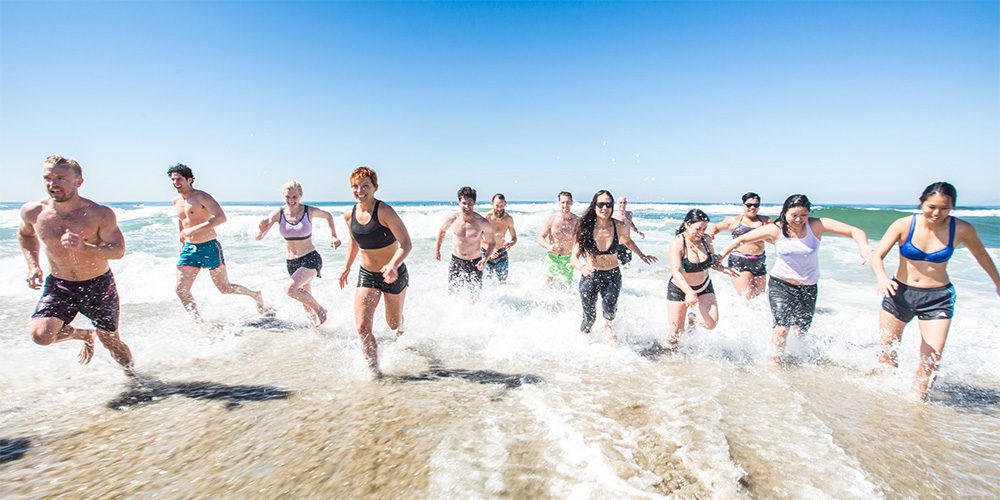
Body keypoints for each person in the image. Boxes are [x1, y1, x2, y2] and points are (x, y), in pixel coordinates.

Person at [871, 182, 1000, 400]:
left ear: (952, 207)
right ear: (921, 202)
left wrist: (998, 282)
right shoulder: (903, 225)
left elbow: (981, 256)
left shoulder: (962, 229)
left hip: (937, 298)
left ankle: (917, 405)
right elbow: (877, 256)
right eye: (931, 207)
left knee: (932, 358)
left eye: (944, 208)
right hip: (898, 293)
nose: (937, 213)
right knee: (888, 352)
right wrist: (882, 278)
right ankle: (885, 404)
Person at [719, 194, 871, 363]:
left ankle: (796, 362)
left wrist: (863, 247)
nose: (799, 220)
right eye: (794, 216)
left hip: (808, 286)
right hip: (781, 285)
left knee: (801, 331)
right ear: (784, 213)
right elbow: (741, 239)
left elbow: (855, 231)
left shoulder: (816, 225)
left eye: (803, 215)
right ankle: (774, 364)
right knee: (782, 328)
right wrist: (719, 258)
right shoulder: (774, 229)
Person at [18, 155, 135, 374]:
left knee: (110, 342)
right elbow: (25, 235)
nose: (53, 183)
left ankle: (134, 378)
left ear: (79, 182)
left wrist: (85, 248)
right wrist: (33, 265)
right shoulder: (33, 212)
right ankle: (82, 334)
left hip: (98, 285)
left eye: (61, 178)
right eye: (48, 178)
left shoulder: (100, 214)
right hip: (60, 285)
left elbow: (118, 251)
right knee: (40, 335)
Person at [339, 166, 412, 377]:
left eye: (365, 186)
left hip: (394, 273)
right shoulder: (348, 214)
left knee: (393, 323)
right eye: (355, 186)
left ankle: (401, 325)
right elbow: (354, 241)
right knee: (362, 327)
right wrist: (347, 266)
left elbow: (406, 244)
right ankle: (374, 372)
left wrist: (392, 265)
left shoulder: (384, 211)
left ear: (375, 187)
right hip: (367, 274)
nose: (360, 190)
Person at [169, 164, 266, 319]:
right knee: (181, 290)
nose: (175, 183)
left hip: (209, 247)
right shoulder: (175, 201)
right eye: (173, 179)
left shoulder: (202, 197)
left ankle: (255, 295)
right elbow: (182, 221)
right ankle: (199, 322)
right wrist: (181, 241)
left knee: (224, 288)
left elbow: (221, 217)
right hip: (189, 249)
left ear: (190, 180)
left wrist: (194, 230)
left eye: (179, 179)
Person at [571, 190, 657, 340]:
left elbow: (628, 241)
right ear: (594, 206)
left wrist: (642, 255)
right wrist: (581, 267)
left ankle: (607, 326)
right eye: (601, 204)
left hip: (612, 274)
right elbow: (573, 257)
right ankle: (583, 341)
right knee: (589, 318)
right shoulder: (585, 227)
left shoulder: (619, 226)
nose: (605, 208)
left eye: (608, 204)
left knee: (610, 310)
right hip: (590, 275)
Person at [256, 181, 341, 327]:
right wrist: (261, 229)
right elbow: (258, 237)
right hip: (291, 263)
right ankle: (316, 332)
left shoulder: (309, 211)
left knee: (290, 289)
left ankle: (321, 310)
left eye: (295, 196)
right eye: (287, 197)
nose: (291, 200)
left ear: (300, 195)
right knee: (305, 301)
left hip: (310, 258)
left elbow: (328, 215)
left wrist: (333, 235)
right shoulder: (278, 213)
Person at [666, 209, 740, 346]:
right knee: (675, 334)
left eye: (704, 228)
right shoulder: (678, 243)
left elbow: (712, 262)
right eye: (698, 228)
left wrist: (723, 269)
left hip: (704, 286)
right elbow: (676, 271)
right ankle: (672, 363)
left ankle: (692, 318)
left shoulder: (706, 240)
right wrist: (689, 292)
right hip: (680, 289)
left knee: (711, 323)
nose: (701, 232)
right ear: (687, 224)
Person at [708, 192, 771, 299]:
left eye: (756, 205)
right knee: (748, 296)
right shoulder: (734, 221)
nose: (752, 207)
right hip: (740, 260)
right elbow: (716, 227)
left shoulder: (765, 221)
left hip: (759, 261)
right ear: (743, 205)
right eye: (749, 205)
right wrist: (711, 234)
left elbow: (775, 236)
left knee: (760, 297)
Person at [435, 186, 495, 294]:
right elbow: (442, 231)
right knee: (453, 292)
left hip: (475, 262)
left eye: (470, 203)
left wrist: (485, 259)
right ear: (459, 202)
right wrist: (437, 250)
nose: (467, 206)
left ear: (474, 203)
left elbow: (492, 243)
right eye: (464, 203)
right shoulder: (452, 218)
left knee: (474, 295)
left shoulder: (482, 222)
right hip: (456, 261)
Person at [537, 191, 580, 287]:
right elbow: (540, 237)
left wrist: (577, 254)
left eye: (568, 202)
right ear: (559, 203)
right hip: (553, 257)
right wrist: (547, 246)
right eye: (563, 202)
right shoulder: (551, 219)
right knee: (547, 285)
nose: (565, 205)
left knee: (566, 287)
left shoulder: (577, 221)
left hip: (568, 259)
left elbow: (580, 241)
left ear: (572, 203)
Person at [481, 193, 518, 284]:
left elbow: (514, 237)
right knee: (485, 282)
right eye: (497, 205)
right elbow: (478, 237)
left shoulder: (509, 219)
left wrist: (511, 243)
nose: (499, 208)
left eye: (502, 205)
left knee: (503, 282)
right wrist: (489, 250)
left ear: (505, 203)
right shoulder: (486, 217)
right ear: (492, 203)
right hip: (486, 252)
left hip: (501, 252)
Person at [612, 196, 644, 266]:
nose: (622, 204)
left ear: (626, 203)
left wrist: (638, 232)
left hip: (627, 245)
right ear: (617, 204)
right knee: (616, 266)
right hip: (616, 244)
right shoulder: (613, 215)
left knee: (627, 266)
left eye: (624, 202)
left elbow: (630, 224)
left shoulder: (629, 214)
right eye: (620, 202)